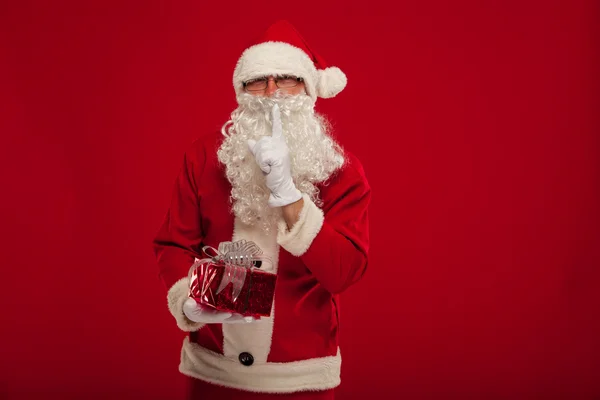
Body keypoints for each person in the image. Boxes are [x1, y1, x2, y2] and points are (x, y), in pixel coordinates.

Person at [152, 20, 371, 399]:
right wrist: (189, 297)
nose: (271, 93)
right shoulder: (204, 157)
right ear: (241, 91)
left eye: (286, 78)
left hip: (300, 379)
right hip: (213, 374)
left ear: (308, 89)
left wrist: (289, 196)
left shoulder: (341, 169)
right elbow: (173, 245)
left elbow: (343, 272)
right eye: (258, 81)